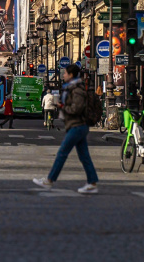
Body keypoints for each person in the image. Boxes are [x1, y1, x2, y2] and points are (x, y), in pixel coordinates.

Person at [33, 64, 99, 194]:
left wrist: (62, 107)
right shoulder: (71, 88)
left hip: (77, 125)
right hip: (77, 125)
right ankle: (92, 183)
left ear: (71, 75)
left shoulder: (77, 90)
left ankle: (50, 180)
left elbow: (76, 108)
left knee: (62, 153)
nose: (63, 75)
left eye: (65, 73)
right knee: (84, 156)